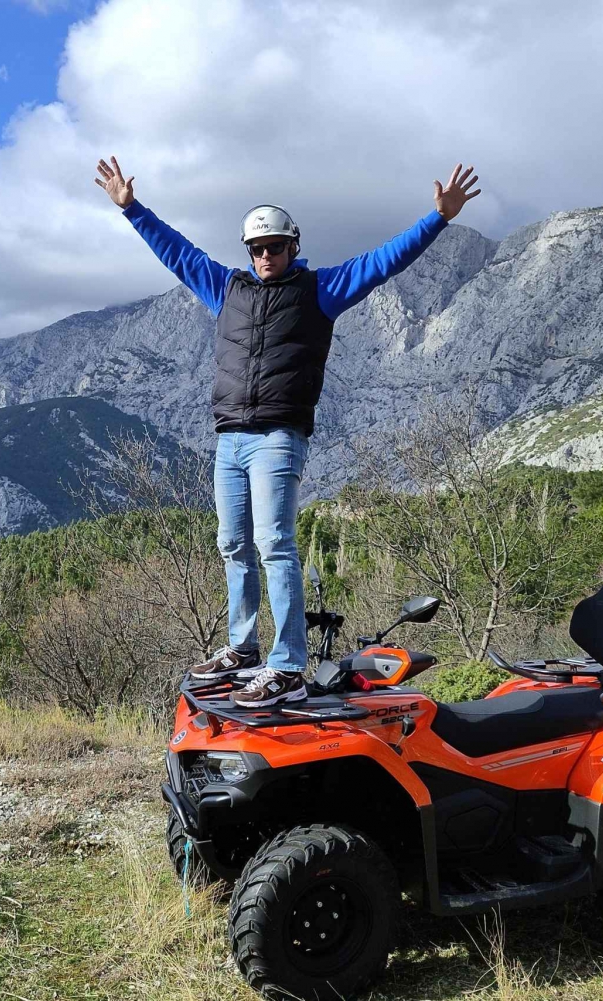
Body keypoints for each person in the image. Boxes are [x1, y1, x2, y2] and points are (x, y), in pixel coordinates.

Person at [95, 156, 481, 707]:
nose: (265, 255)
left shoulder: (320, 291)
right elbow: (177, 252)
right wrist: (131, 209)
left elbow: (384, 261)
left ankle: (288, 664)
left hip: (279, 437)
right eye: (256, 248)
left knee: (274, 544)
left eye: (274, 246)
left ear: (292, 246)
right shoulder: (226, 289)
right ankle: (241, 649)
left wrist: (437, 219)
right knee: (233, 545)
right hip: (229, 439)